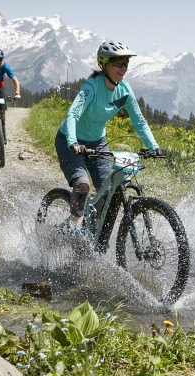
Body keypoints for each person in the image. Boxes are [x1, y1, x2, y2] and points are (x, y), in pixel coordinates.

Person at [55, 40, 163, 233]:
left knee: (108, 190)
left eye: (126, 63)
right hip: (70, 141)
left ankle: (93, 237)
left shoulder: (125, 90)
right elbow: (72, 115)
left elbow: (139, 121)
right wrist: (73, 142)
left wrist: (154, 146)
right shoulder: (91, 87)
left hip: (97, 142)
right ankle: (73, 231)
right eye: (118, 63)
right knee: (82, 185)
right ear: (104, 64)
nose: (123, 68)